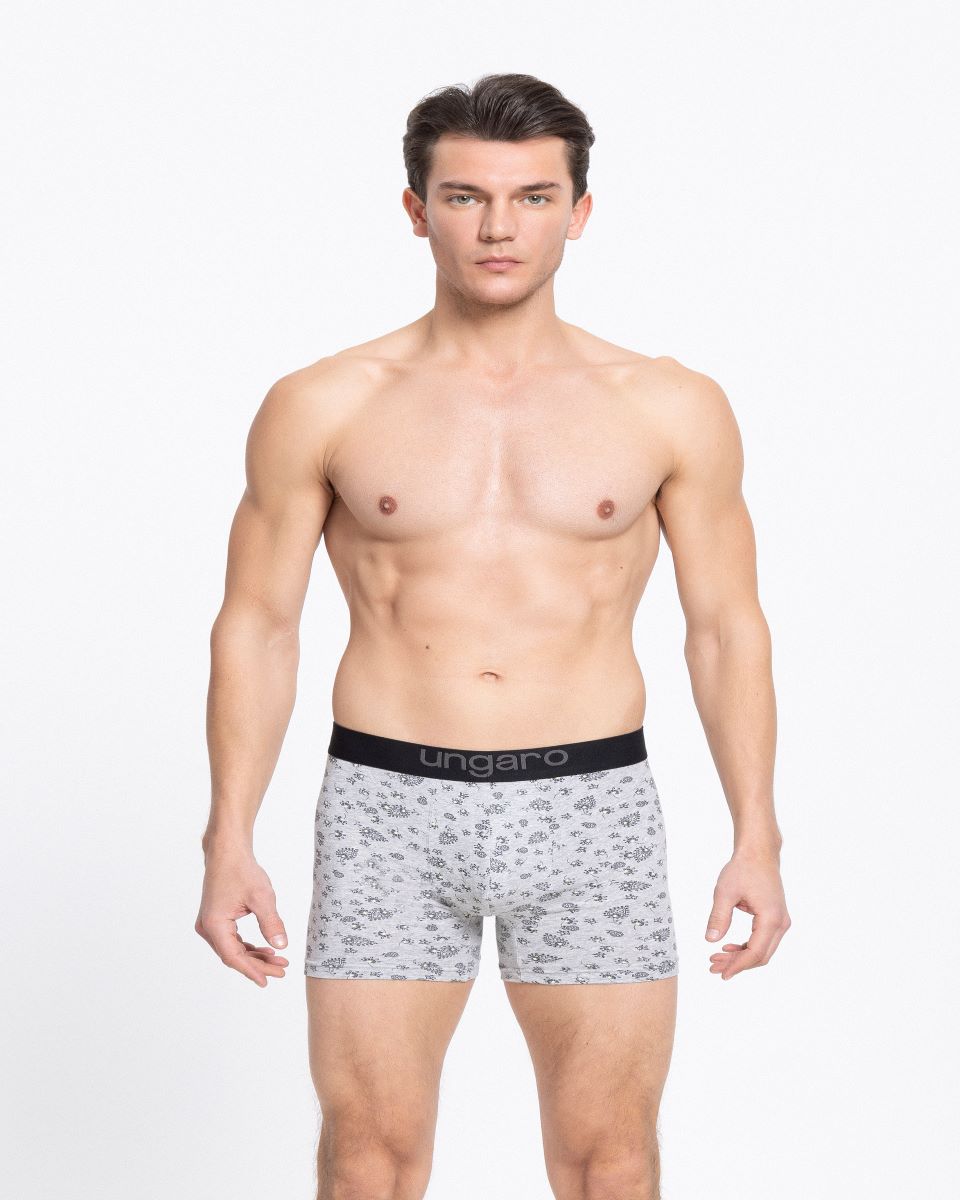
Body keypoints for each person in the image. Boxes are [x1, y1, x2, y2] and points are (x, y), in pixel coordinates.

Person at [196, 72, 790, 1200]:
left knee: (609, 1158)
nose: (498, 227)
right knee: (368, 1157)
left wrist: (755, 834)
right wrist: (227, 836)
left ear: (579, 211)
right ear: (417, 210)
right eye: (465, 196)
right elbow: (259, 626)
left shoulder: (667, 404)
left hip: (590, 808)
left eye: (532, 197)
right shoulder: (325, 401)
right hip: (387, 808)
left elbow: (725, 629)